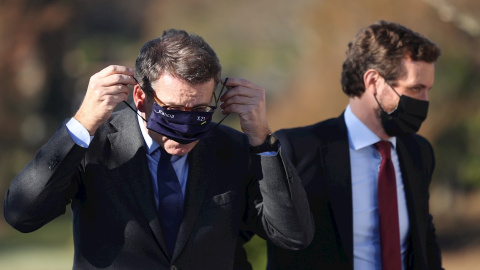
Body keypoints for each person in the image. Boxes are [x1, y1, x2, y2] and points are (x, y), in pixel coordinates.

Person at [4, 29, 314, 269]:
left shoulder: (232, 149)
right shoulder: (95, 145)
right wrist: (82, 123)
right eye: (175, 110)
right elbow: (22, 214)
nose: (187, 124)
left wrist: (263, 140)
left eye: (200, 110)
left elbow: (293, 235)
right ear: (141, 97)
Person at [266, 20, 443, 269]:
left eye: (428, 89)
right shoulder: (297, 150)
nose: (425, 100)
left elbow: (424, 240)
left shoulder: (419, 152)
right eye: (416, 88)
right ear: (373, 81)